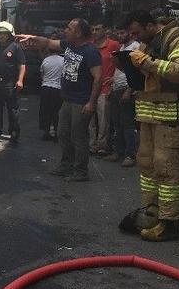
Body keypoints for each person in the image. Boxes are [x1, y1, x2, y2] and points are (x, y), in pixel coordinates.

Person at [119, 9, 179, 242]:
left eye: (137, 33)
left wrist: (147, 62)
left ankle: (170, 223)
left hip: (170, 116)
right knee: (147, 164)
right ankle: (152, 212)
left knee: (166, 168)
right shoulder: (149, 43)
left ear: (151, 25)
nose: (135, 38)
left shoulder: (177, 38)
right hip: (150, 116)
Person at [18, 18, 102, 181]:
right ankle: (66, 165)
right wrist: (31, 37)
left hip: (80, 102)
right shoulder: (70, 44)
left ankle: (80, 171)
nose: (66, 30)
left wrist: (91, 103)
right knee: (63, 133)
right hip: (68, 100)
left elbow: (98, 78)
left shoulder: (91, 52)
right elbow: (49, 42)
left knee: (78, 136)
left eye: (69, 28)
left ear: (79, 33)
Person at [102, 24, 140, 166]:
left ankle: (130, 155)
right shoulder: (122, 48)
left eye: (122, 32)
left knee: (127, 123)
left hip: (126, 89)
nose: (119, 35)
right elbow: (121, 70)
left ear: (130, 33)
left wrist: (129, 90)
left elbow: (136, 72)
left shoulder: (136, 47)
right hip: (117, 88)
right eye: (118, 33)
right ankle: (118, 151)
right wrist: (113, 82)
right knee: (117, 123)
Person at [89, 23, 121, 156]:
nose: (95, 32)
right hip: (91, 87)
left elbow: (121, 63)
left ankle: (102, 146)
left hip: (105, 87)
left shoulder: (113, 45)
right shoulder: (90, 45)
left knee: (103, 120)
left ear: (104, 30)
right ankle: (92, 144)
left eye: (97, 29)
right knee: (90, 119)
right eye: (93, 29)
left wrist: (115, 78)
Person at [39, 48, 63, 141]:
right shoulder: (63, 61)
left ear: (49, 51)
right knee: (56, 111)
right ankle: (56, 132)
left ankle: (46, 132)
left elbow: (42, 74)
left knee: (45, 111)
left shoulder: (46, 60)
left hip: (46, 87)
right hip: (58, 88)